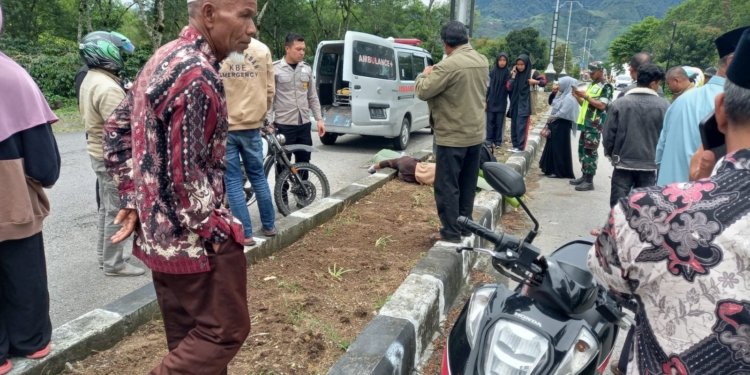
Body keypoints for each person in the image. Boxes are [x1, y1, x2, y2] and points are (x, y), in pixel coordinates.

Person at [103, 0, 254, 372]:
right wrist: (221, 231)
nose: (253, 29)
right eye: (246, 16)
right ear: (209, 14)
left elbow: (115, 131)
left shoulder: (163, 57)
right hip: (196, 244)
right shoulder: (196, 73)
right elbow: (185, 178)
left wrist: (133, 198)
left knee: (189, 341)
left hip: (159, 242)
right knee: (225, 331)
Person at [588, 27, 750, 375]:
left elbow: (605, 274)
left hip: (652, 184)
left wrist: (695, 191)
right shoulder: (665, 104)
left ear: (720, 111)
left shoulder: (647, 212)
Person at [0, 4, 61, 371]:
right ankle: (30, 341)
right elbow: (45, 165)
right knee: (22, 270)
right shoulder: (12, 77)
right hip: (10, 202)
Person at [78, 31, 145, 276]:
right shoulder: (107, 88)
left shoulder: (92, 78)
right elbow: (121, 131)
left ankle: (104, 258)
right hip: (111, 159)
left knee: (107, 208)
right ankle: (114, 264)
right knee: (118, 209)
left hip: (97, 153)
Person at [415, 21, 488, 243]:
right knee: (467, 183)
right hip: (475, 135)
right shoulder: (482, 61)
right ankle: (465, 226)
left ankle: (450, 232)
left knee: (447, 185)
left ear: (446, 44)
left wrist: (423, 74)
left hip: (452, 136)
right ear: (467, 38)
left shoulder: (448, 66)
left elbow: (423, 91)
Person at [655, 26, 748, 186]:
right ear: (732, 61)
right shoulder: (737, 105)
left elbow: (659, 154)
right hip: (712, 205)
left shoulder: (681, 100)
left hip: (666, 199)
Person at [220, 37, 277, 247]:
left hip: (226, 127)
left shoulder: (221, 45)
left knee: (233, 181)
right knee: (258, 176)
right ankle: (270, 225)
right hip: (252, 125)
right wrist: (262, 113)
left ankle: (245, 234)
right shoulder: (262, 49)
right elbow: (270, 89)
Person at [602, 63, 669, 208]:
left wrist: (612, 154)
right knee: (644, 207)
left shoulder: (619, 104)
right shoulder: (665, 106)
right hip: (650, 164)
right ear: (653, 83)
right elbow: (666, 137)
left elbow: (608, 135)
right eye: (658, 83)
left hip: (623, 163)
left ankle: (616, 229)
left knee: (618, 206)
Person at [270, 32, 325, 167]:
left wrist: (319, 119)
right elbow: (269, 99)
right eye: (298, 49)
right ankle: (282, 189)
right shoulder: (275, 69)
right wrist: (269, 122)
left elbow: (312, 96)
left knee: (304, 161)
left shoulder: (306, 69)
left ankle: (302, 187)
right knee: (282, 164)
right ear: (287, 49)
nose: (302, 53)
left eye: (303, 49)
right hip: (284, 125)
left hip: (304, 125)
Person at [569, 61, 614, 191]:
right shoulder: (593, 85)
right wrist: (577, 97)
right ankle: (584, 176)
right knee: (583, 150)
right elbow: (586, 104)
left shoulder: (606, 86)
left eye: (593, 72)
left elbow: (602, 105)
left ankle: (589, 181)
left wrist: (586, 96)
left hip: (595, 125)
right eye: (590, 71)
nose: (591, 74)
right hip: (586, 124)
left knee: (590, 151)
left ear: (601, 71)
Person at [539, 76, 579, 179]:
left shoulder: (570, 98)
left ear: (566, 85)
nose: (558, 86)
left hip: (562, 126)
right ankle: (550, 169)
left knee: (559, 149)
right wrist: (554, 93)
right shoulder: (563, 95)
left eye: (560, 84)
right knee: (553, 147)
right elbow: (552, 103)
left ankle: (559, 171)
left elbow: (564, 112)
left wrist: (553, 117)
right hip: (557, 125)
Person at [506, 54, 547, 152]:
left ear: (526, 64)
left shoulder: (532, 73)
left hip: (525, 104)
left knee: (522, 126)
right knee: (514, 125)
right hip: (514, 104)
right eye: (518, 64)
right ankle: (515, 145)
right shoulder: (514, 74)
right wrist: (513, 76)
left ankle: (520, 147)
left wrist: (535, 81)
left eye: (522, 64)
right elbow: (508, 87)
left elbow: (544, 81)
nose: (520, 67)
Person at [485, 52, 510, 149]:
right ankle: (489, 140)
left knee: (499, 122)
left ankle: (498, 141)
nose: (502, 62)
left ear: (506, 61)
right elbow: (488, 87)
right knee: (490, 121)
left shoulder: (508, 73)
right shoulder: (492, 72)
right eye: (500, 60)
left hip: (502, 101)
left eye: (504, 60)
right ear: (497, 61)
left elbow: (509, 87)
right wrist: (485, 101)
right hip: (491, 101)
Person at [368, 156, 435, 185]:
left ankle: (373, 168)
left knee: (390, 163)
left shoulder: (405, 160)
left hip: (411, 166)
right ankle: (373, 168)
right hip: (411, 175)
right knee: (400, 172)